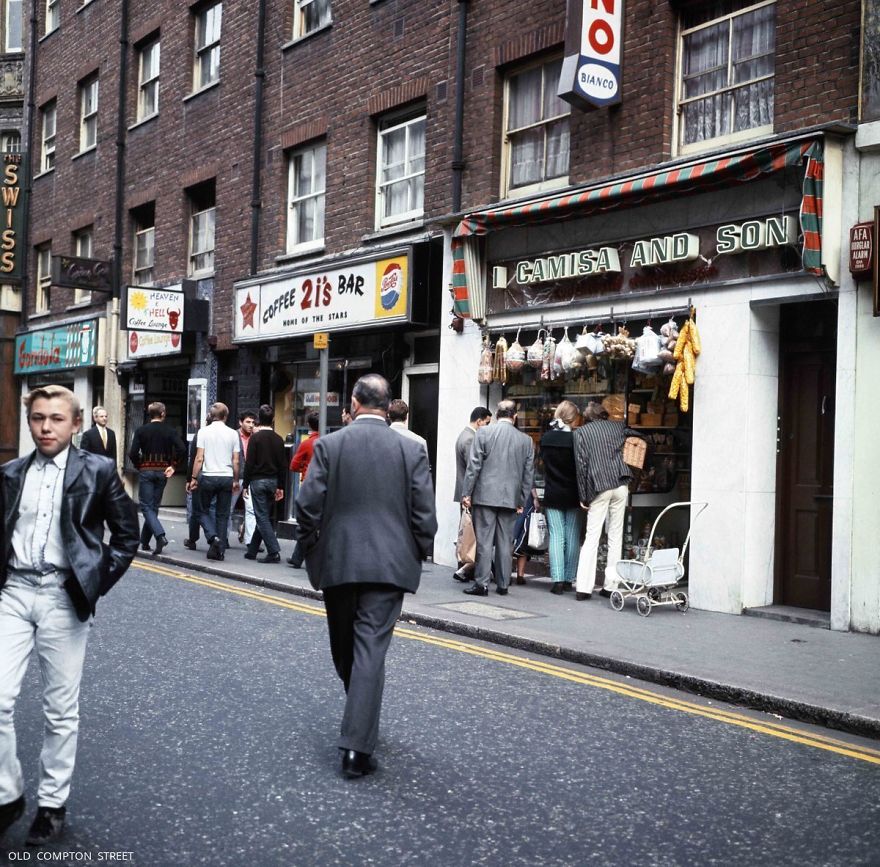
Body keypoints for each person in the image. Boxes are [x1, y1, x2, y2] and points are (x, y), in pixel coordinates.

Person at [0, 385, 138, 846]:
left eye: (56, 419)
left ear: (75, 424)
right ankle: (8, 793)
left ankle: (52, 805)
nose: (45, 427)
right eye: (38, 418)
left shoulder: (97, 471)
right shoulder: (11, 473)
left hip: (63, 595)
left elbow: (126, 536)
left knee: (60, 710)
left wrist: (92, 581)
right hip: (14, 593)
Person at [295, 374, 436, 778]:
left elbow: (308, 506)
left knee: (348, 650)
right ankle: (362, 716)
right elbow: (424, 515)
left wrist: (310, 544)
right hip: (391, 564)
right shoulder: (412, 450)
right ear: (387, 405)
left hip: (338, 561)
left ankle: (355, 747)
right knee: (363, 652)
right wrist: (416, 549)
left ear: (355, 403)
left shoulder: (329, 445)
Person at [459, 400, 535, 597]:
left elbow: (473, 466)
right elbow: (528, 475)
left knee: (484, 542)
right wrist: (521, 500)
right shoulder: (526, 440)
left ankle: (482, 584)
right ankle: (503, 584)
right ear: (514, 416)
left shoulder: (483, 433)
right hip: (510, 499)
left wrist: (467, 493)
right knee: (505, 542)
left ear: (497, 413)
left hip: (484, 496)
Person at [573, 401, 638, 601]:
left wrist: (583, 496)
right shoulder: (618, 427)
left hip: (599, 486)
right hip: (620, 483)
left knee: (592, 536)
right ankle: (611, 586)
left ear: (587, 416)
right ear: (604, 415)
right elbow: (640, 437)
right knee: (616, 536)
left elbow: (582, 466)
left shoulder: (582, 433)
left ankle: (584, 588)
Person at [128, 401, 186, 557]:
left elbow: (132, 453)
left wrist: (139, 465)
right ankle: (145, 541)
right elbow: (182, 449)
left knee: (146, 507)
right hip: (162, 472)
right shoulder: (170, 431)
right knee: (153, 507)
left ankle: (160, 535)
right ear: (163, 414)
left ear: (149, 414)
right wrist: (173, 466)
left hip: (146, 471)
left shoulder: (141, 430)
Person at [540, 400, 585, 595]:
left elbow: (541, 466)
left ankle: (557, 580)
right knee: (573, 536)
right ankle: (569, 578)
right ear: (573, 418)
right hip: (573, 492)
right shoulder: (576, 439)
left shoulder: (547, 438)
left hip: (552, 491)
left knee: (556, 536)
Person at [190, 402, 240, 562]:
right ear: (226, 416)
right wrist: (236, 480)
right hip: (226, 477)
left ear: (211, 416)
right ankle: (221, 551)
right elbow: (236, 460)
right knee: (223, 515)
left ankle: (213, 538)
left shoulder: (203, 432)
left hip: (208, 476)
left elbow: (199, 458)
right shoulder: (233, 433)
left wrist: (193, 478)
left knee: (201, 511)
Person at [452, 407, 492, 581]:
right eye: (487, 423)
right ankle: (465, 570)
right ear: (479, 421)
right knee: (472, 535)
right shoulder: (470, 439)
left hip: (466, 493)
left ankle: (466, 569)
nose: (488, 426)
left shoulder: (464, 435)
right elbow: (472, 469)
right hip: (470, 494)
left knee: (468, 533)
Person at [243, 404, 286, 564]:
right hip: (273, 481)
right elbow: (283, 465)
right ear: (273, 419)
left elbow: (249, 463)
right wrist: (281, 486)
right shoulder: (279, 439)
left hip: (257, 481)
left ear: (258, 420)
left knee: (261, 517)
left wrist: (245, 484)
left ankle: (273, 551)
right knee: (265, 516)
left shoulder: (255, 438)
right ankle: (252, 550)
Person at [287, 411, 320, 568]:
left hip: (308, 485)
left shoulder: (307, 443)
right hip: (327, 487)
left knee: (306, 523)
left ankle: (301, 558)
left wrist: (304, 468)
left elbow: (293, 465)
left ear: (309, 425)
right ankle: (298, 557)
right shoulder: (330, 441)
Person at [184, 415, 212, 551]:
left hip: (201, 477)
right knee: (215, 510)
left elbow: (194, 458)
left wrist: (190, 479)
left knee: (197, 510)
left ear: (207, 421)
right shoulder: (229, 434)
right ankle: (217, 539)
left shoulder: (201, 435)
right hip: (223, 477)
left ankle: (194, 539)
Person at [232, 411, 257, 546]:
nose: (251, 425)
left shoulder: (256, 437)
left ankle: (250, 541)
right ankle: (223, 539)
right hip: (236, 476)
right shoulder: (233, 435)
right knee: (229, 508)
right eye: (248, 422)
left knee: (251, 510)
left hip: (251, 478)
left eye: (253, 422)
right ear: (241, 422)